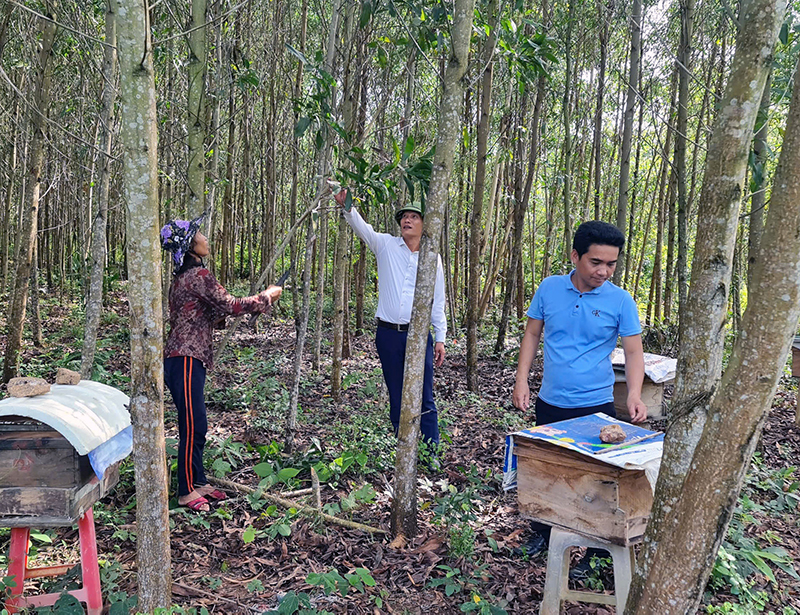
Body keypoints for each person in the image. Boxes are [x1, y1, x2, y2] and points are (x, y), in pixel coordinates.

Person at [512, 220, 646, 576]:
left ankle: (595, 552)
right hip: (551, 401)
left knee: (596, 483)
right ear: (575, 256)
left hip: (596, 407)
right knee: (548, 473)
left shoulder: (621, 301)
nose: (604, 271)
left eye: (611, 264)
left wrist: (634, 394)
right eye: (595, 262)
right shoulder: (550, 289)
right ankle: (543, 532)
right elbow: (532, 334)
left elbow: (633, 353)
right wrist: (521, 380)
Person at [160, 213, 282, 511]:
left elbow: (209, 316)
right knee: (193, 423)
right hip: (184, 359)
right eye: (199, 235)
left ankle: (198, 480)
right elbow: (230, 304)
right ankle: (186, 490)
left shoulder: (184, 279)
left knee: (198, 423)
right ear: (189, 245)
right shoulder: (198, 276)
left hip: (187, 360)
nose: (204, 238)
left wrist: (233, 313)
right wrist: (264, 297)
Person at [333, 188, 446, 448]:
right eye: (404, 216)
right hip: (387, 335)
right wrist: (346, 205)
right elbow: (362, 228)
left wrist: (440, 338)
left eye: (414, 217)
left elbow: (437, 300)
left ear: (424, 223)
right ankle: (403, 448)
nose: (407, 220)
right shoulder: (385, 245)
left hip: (418, 336)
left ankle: (432, 450)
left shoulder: (432, 258)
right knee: (396, 393)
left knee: (424, 395)